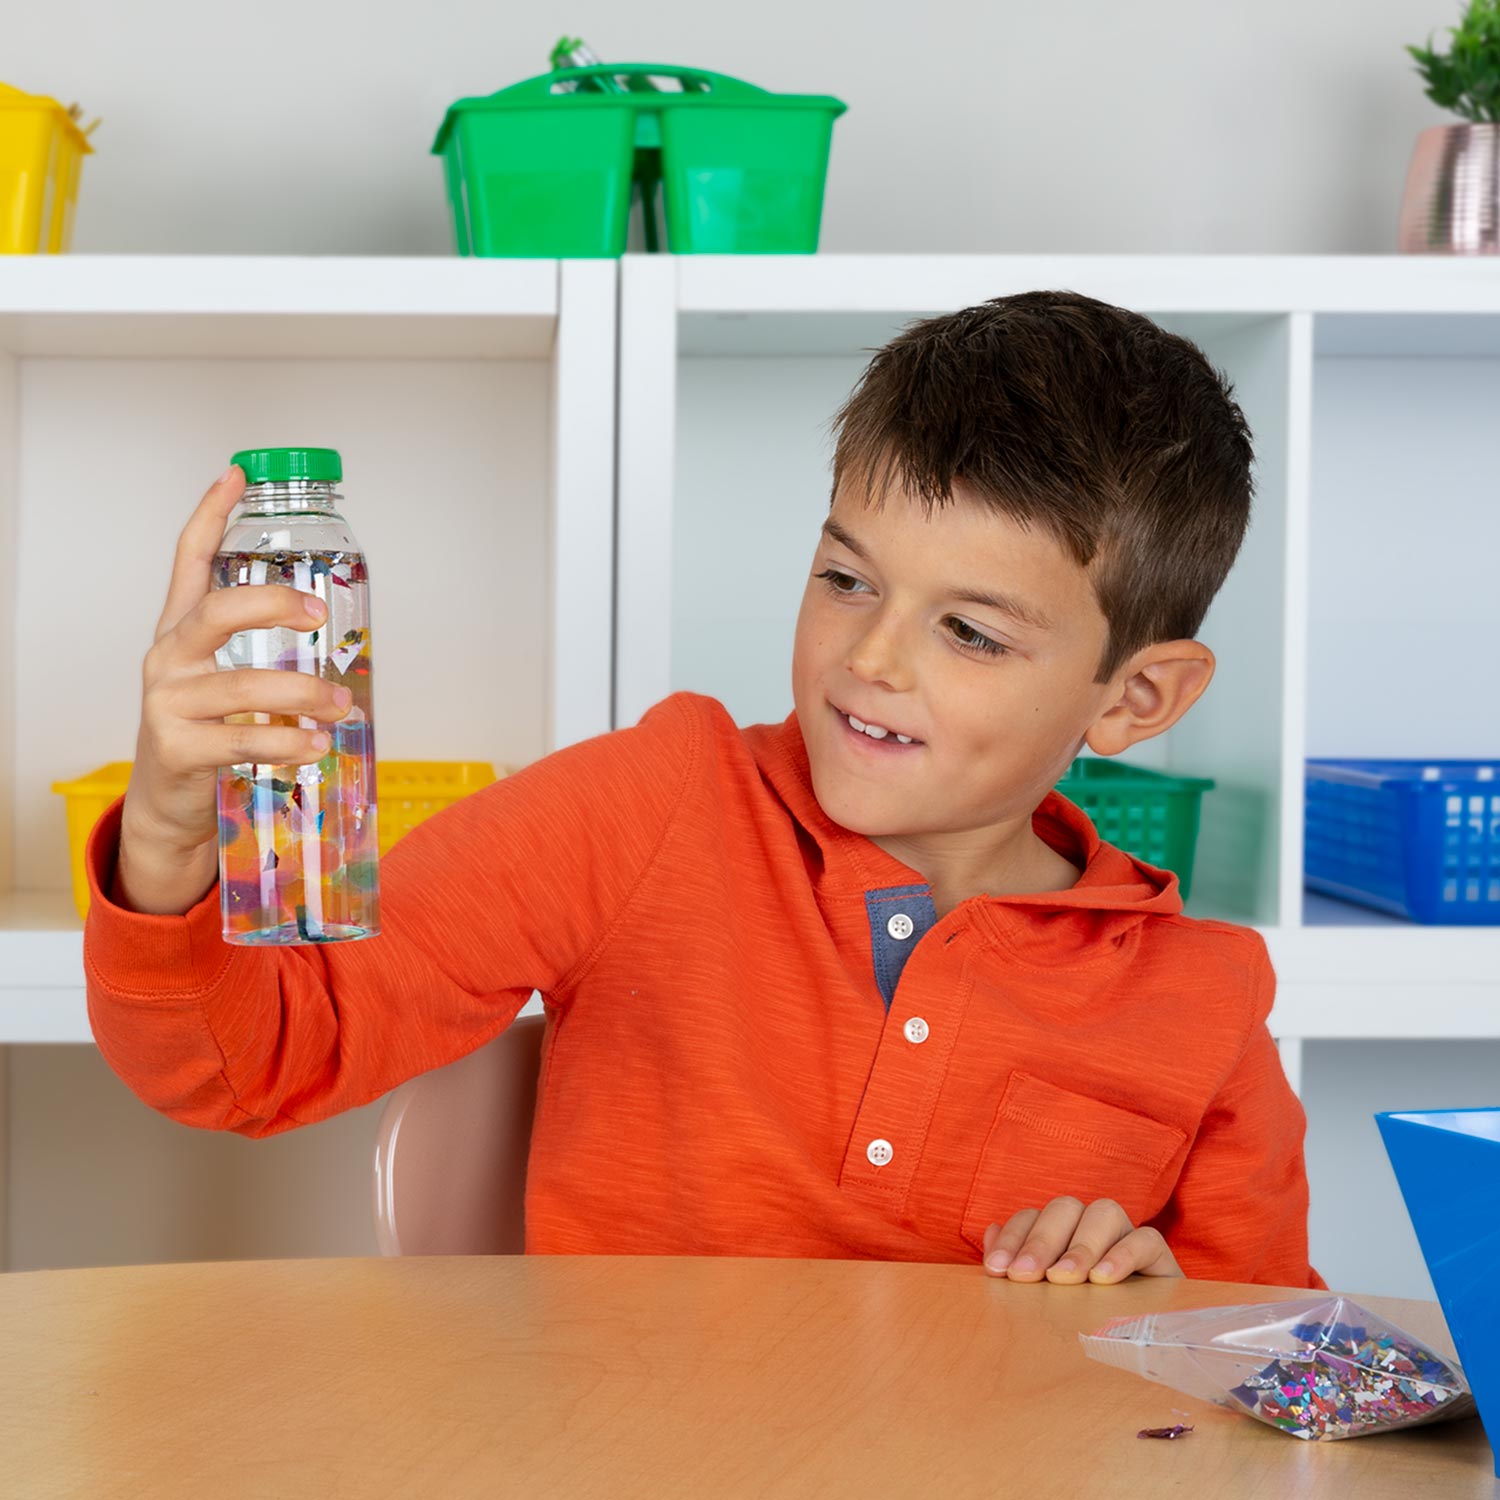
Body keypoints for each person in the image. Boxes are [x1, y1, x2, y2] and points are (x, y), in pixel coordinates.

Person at [84, 290, 1323, 1289]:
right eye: (847, 579)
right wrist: (169, 834)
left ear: (1135, 700)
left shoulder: (1202, 1001)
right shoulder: (656, 804)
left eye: (973, 635)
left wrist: (1156, 1311)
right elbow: (243, 1065)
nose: (871, 661)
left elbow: (1259, 1379)